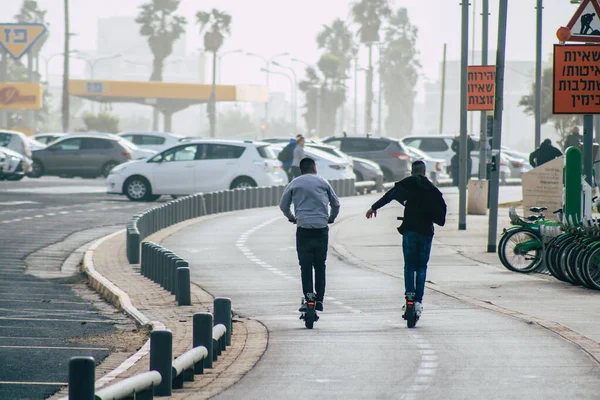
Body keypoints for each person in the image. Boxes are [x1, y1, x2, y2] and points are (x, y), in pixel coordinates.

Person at [365, 160, 447, 317]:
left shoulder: (407, 185)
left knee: (409, 265)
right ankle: (418, 302)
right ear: (424, 172)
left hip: (410, 230)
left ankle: (409, 296)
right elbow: (441, 214)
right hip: (426, 232)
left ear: (411, 172)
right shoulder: (432, 190)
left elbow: (389, 195)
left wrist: (374, 207)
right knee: (422, 267)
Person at [280, 157, 340, 312]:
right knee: (320, 265)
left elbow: (283, 205)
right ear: (314, 168)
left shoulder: (294, 183)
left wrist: (292, 217)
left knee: (305, 266)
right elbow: (336, 204)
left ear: (301, 170)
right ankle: (319, 299)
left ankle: (309, 297)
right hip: (321, 228)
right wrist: (330, 218)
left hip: (304, 228)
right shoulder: (323, 182)